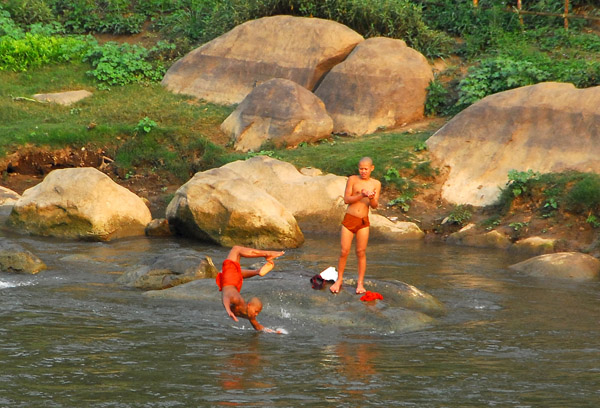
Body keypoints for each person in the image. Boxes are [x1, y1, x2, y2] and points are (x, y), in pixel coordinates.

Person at [330, 157, 381, 294]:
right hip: (350, 219)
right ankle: (339, 280)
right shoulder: (353, 179)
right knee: (344, 251)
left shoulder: (376, 184)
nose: (363, 171)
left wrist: (370, 198)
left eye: (366, 169)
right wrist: (361, 195)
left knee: (361, 252)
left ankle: (360, 283)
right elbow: (347, 199)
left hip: (363, 221)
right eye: (361, 168)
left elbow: (375, 206)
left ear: (372, 168)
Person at [216, 245, 284, 331]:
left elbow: (257, 327)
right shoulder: (237, 300)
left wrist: (273, 331)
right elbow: (226, 298)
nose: (256, 314)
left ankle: (259, 269)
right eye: (256, 311)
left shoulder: (249, 314)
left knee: (236, 253)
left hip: (232, 282)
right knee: (236, 250)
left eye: (257, 312)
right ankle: (263, 261)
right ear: (249, 305)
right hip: (230, 281)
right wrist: (228, 310)